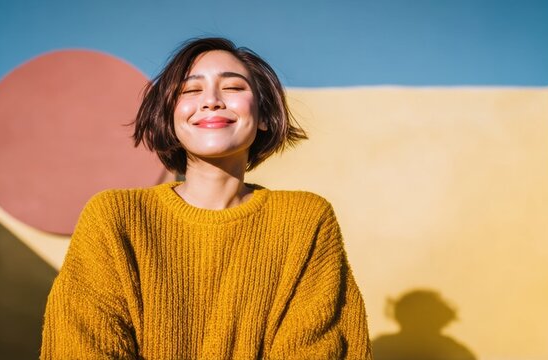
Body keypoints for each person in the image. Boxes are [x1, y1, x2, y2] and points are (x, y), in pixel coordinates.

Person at [40, 37, 372, 359]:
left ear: (266, 116)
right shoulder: (114, 216)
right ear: (168, 117)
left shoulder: (305, 219)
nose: (211, 100)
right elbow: (82, 345)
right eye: (190, 90)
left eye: (233, 87)